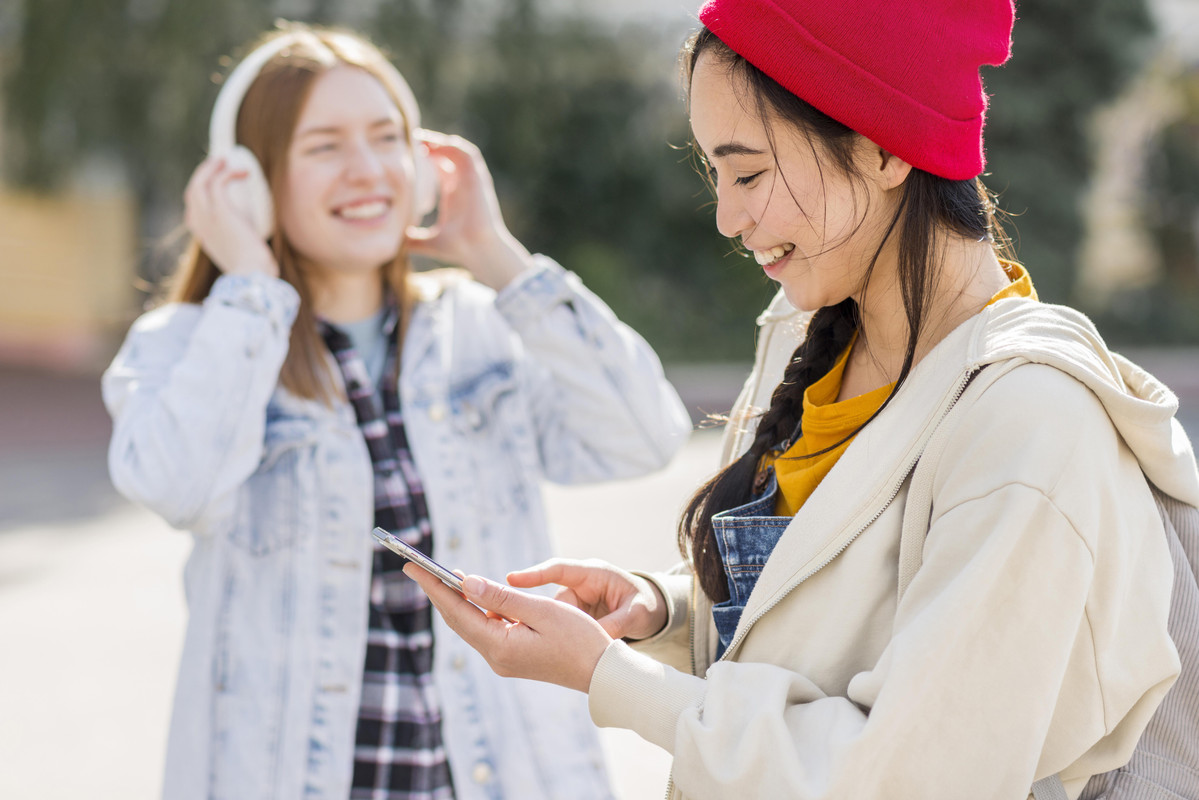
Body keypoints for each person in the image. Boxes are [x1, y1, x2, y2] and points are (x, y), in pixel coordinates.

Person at [404, 1, 1199, 798]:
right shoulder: (806, 334)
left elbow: (903, 776)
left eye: (748, 173)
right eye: (715, 174)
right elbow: (824, 608)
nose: (726, 216)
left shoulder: (1030, 427)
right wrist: (663, 612)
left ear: (882, 147)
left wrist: (605, 675)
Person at [102, 23, 691, 800]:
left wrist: (493, 252)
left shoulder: (479, 328)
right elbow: (176, 486)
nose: (368, 169)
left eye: (387, 138)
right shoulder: (194, 343)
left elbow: (644, 435)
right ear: (249, 180)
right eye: (324, 146)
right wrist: (248, 285)